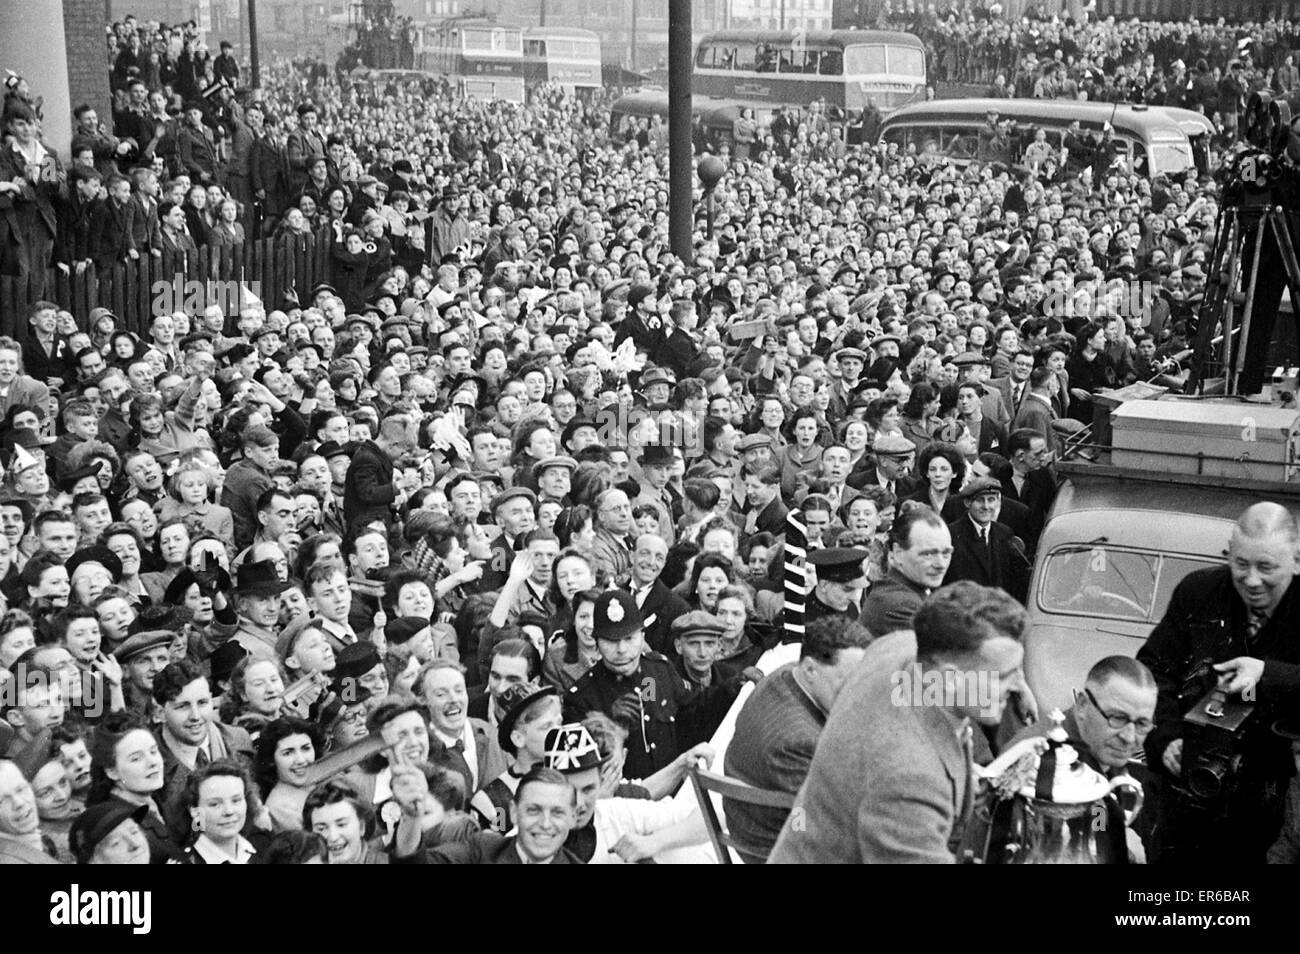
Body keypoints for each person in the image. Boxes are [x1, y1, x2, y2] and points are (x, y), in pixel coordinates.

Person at [771, 581, 1029, 863]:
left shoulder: (901, 649)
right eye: (1004, 675)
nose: (1017, 686)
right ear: (952, 678)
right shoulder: (909, 778)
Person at [1137, 502, 1300, 863]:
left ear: (1296, 560)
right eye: (1240, 564)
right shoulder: (1199, 591)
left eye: (1266, 567)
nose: (1251, 580)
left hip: (1273, 802)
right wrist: (1166, 739)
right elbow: (1152, 669)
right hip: (1186, 795)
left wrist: (1268, 674)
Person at [724, 615, 873, 863]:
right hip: (779, 849)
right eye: (847, 681)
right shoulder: (798, 742)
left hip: (758, 823)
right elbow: (822, 827)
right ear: (811, 668)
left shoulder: (783, 676)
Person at [858, 505, 953, 638]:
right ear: (898, 553)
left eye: (946, 553)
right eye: (928, 554)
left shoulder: (904, 592)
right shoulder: (902, 606)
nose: (941, 564)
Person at [942, 477, 1031, 604]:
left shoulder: (1004, 533)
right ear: (967, 503)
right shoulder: (951, 535)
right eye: (980, 500)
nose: (986, 506)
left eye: (991, 500)